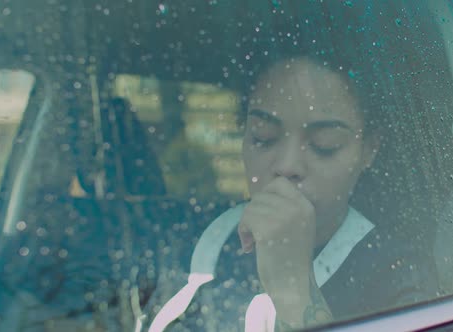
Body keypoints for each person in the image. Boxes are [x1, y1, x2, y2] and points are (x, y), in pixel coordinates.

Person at [146, 56, 438, 331]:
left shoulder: (397, 278)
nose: (287, 166)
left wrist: (294, 290)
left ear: (368, 151)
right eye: (263, 137)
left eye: (325, 144)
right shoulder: (180, 239)